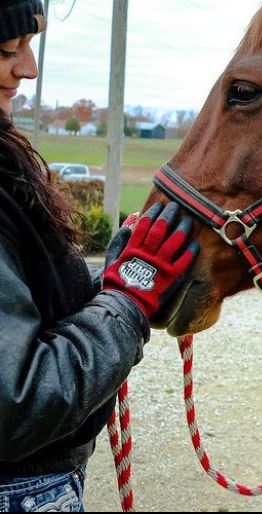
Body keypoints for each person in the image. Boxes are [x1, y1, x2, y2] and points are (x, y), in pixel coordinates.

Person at [0, 1, 199, 511]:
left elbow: (29, 302)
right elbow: (18, 403)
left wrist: (105, 281)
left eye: (29, 46)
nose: (29, 68)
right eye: (7, 49)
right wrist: (127, 302)